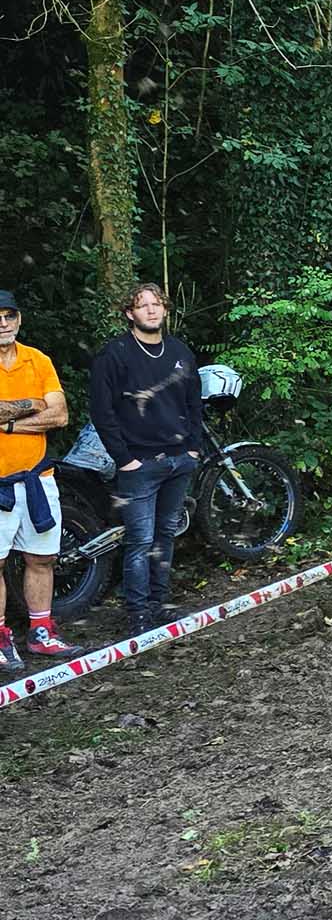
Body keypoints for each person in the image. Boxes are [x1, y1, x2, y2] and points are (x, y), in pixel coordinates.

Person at [90, 282, 205, 637]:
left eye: (157, 304)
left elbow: (193, 403)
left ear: (166, 310)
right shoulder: (115, 354)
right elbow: (102, 411)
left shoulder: (180, 351)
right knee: (139, 541)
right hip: (139, 465)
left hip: (178, 460)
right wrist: (124, 459)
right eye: (143, 305)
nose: (152, 310)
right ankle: (138, 614)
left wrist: (193, 449)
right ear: (130, 313)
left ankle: (159, 605)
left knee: (165, 536)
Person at [0, 290, 82, 672]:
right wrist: (34, 404)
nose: (3, 323)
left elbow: (60, 414)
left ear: (19, 320)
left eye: (9, 315)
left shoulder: (38, 360)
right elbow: (44, 408)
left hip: (37, 479)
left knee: (42, 558)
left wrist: (10, 422)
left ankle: (41, 631)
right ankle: (1, 638)